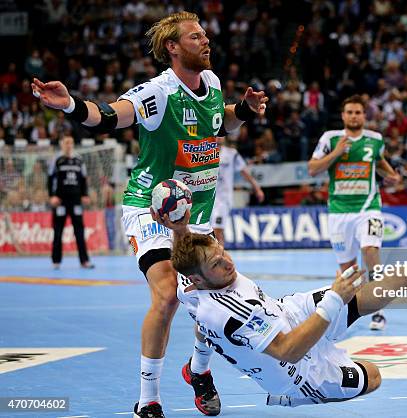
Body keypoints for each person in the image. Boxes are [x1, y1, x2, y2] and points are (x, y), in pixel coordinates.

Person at [32, 11, 268, 418]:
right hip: (153, 209)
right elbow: (107, 116)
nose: (206, 40)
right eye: (195, 36)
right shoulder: (157, 92)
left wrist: (243, 110)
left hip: (198, 214)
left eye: (205, 34)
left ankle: (198, 372)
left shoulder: (210, 84)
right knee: (168, 295)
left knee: (214, 298)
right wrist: (70, 104)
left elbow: (220, 124)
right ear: (172, 48)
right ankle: (148, 399)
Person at [168, 210, 407, 407]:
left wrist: (178, 227)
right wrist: (334, 300)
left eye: (222, 252)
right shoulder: (225, 311)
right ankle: (207, 375)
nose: (227, 261)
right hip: (295, 375)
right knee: (373, 374)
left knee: (367, 293)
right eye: (216, 263)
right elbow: (289, 351)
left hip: (286, 313)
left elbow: (196, 300)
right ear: (198, 278)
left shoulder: (194, 282)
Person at [307, 95, 401, 330]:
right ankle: (350, 310)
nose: (354, 116)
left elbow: (378, 162)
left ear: (364, 116)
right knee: (348, 270)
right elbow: (312, 169)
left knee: (370, 252)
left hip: (368, 208)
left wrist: (393, 174)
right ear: (343, 115)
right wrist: (337, 152)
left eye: (358, 112)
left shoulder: (375, 139)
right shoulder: (331, 139)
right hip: (339, 211)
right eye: (349, 112)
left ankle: (378, 309)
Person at [47, 135, 94, 269]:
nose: (69, 145)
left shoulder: (79, 160)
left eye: (71, 142)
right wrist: (52, 196)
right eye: (66, 142)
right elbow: (50, 179)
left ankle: (84, 261)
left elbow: (84, 179)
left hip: (76, 200)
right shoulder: (57, 160)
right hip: (60, 201)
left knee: (79, 231)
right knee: (58, 231)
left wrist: (85, 195)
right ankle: (56, 261)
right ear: (62, 144)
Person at [211, 136, 264, 247]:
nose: (219, 138)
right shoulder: (205, 153)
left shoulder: (231, 154)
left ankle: (219, 259)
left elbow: (244, 172)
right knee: (209, 232)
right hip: (208, 199)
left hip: (223, 200)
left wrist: (257, 188)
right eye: (216, 136)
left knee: (217, 231)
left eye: (221, 136)